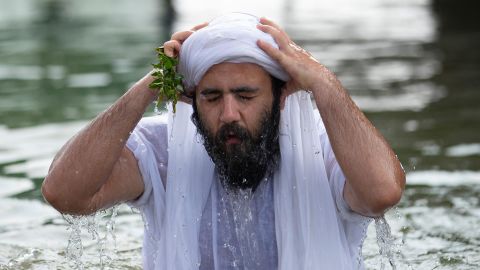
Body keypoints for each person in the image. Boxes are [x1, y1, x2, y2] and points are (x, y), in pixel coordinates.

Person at [42, 13, 405, 270]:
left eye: (245, 96)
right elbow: (66, 194)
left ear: (281, 96)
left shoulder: (326, 152)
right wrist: (147, 87)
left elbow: (382, 194)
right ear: (191, 100)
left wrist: (324, 83)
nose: (229, 113)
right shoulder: (164, 152)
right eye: (212, 97)